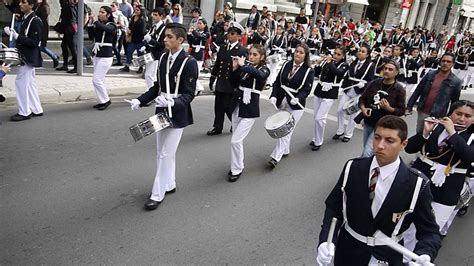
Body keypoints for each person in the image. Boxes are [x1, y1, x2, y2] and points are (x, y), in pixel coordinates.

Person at [316, 115, 441, 266]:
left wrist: (425, 253)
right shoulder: (353, 167)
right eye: (377, 137)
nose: (380, 145)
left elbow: (429, 232)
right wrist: (325, 241)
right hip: (348, 251)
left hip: (386, 257)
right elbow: (333, 208)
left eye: (389, 140)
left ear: (403, 144)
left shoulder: (417, 183)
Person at [125, 23, 198, 211]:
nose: (164, 39)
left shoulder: (189, 62)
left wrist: (173, 102)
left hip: (178, 113)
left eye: (169, 37)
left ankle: (157, 194)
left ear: (180, 40)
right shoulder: (164, 57)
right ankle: (170, 183)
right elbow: (157, 87)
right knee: (161, 153)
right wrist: (139, 101)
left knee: (166, 154)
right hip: (161, 110)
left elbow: (189, 94)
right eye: (165, 36)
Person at [404, 100, 473, 242]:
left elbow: (469, 156)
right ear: (450, 113)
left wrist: (453, 133)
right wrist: (424, 133)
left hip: (447, 190)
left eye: (468, 116)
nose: (461, 118)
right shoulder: (436, 127)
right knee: (405, 223)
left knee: (430, 229)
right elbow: (409, 148)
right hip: (419, 182)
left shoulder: (471, 137)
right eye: (458, 113)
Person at [227, 44, 270, 181]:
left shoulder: (264, 69)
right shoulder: (245, 68)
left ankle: (237, 169)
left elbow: (260, 75)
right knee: (236, 140)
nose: (251, 56)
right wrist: (234, 68)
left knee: (235, 141)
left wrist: (243, 66)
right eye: (250, 54)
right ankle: (237, 165)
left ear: (262, 57)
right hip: (238, 105)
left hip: (250, 109)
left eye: (255, 54)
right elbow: (233, 83)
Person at [268, 43, 315, 168]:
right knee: (279, 126)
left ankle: (275, 157)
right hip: (281, 100)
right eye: (296, 51)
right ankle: (285, 149)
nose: (297, 54)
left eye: (301, 52)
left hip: (296, 104)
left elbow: (306, 90)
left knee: (285, 130)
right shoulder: (286, 64)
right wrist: (273, 95)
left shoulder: (309, 70)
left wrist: (298, 98)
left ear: (305, 56)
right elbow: (277, 82)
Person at [4, 0, 44, 121]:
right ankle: (37, 109)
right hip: (26, 56)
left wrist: (16, 36)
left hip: (29, 57)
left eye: (24, 2)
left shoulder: (35, 20)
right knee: (30, 83)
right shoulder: (26, 18)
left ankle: (24, 111)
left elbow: (34, 42)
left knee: (21, 83)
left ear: (31, 5)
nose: (20, 4)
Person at [358, 60, 406, 157]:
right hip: (368, 121)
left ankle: (362, 170)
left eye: (390, 69)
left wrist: (389, 109)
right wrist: (363, 108)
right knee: (370, 150)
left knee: (366, 153)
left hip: (383, 126)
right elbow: (362, 99)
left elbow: (401, 110)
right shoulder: (375, 83)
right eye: (385, 68)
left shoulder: (399, 89)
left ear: (396, 72)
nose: (387, 71)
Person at [207, 22, 248, 136]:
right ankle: (217, 126)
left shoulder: (242, 50)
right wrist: (212, 77)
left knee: (228, 107)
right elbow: (218, 64)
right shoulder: (223, 48)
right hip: (221, 81)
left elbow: (243, 69)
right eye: (229, 33)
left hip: (232, 83)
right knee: (218, 106)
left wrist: (239, 83)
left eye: (233, 33)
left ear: (239, 36)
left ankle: (235, 123)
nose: (229, 35)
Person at [407, 53, 462, 133]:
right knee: (419, 134)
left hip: (439, 115)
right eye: (443, 61)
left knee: (433, 137)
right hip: (423, 111)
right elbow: (418, 90)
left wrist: (449, 117)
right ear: (440, 62)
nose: (445, 63)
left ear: (452, 64)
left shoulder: (456, 81)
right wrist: (410, 105)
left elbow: (455, 102)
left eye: (448, 61)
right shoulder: (430, 74)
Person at [334, 44, 375, 143]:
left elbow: (371, 81)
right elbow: (347, 75)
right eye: (359, 50)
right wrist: (343, 85)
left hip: (359, 92)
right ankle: (340, 130)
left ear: (367, 54)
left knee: (352, 114)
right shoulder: (353, 62)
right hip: (348, 89)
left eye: (363, 51)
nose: (360, 53)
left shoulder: (370, 65)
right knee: (340, 110)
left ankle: (348, 133)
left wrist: (364, 84)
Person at [311, 46, 349, 151]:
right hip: (319, 90)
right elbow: (318, 73)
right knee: (315, 117)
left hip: (331, 92)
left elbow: (338, 73)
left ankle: (319, 141)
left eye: (338, 54)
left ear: (343, 56)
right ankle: (315, 138)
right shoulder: (328, 62)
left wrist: (328, 62)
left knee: (320, 118)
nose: (335, 56)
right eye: (335, 53)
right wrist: (319, 63)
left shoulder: (344, 65)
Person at [88, 5, 116, 111]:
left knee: (96, 79)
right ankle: (101, 101)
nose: (100, 14)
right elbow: (92, 36)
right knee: (101, 80)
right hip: (97, 54)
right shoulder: (100, 24)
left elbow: (106, 29)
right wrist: (90, 25)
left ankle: (106, 100)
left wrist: (95, 22)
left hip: (106, 56)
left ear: (108, 15)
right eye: (99, 12)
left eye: (102, 12)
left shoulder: (112, 25)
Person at [141, 7, 166, 90]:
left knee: (149, 75)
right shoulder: (153, 26)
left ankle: (151, 94)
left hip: (157, 54)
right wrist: (145, 45)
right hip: (149, 53)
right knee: (149, 75)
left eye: (155, 15)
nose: (153, 16)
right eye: (153, 14)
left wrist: (150, 40)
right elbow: (149, 38)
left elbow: (162, 45)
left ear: (161, 16)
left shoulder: (164, 28)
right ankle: (153, 92)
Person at [120, 4, 146, 73]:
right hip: (132, 39)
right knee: (129, 51)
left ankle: (141, 67)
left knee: (140, 54)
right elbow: (130, 25)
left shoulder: (142, 19)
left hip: (140, 39)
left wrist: (132, 31)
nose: (136, 11)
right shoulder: (133, 17)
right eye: (135, 10)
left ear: (141, 11)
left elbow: (142, 30)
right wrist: (128, 30)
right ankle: (127, 65)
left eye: (138, 10)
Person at [187, 18, 209, 95]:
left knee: (196, 72)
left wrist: (193, 31)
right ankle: (198, 87)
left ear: (204, 25)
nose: (199, 25)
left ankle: (198, 88)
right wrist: (189, 34)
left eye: (200, 23)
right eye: (198, 23)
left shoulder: (206, 33)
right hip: (193, 51)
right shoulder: (196, 32)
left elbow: (200, 37)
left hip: (199, 53)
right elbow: (190, 42)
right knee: (192, 71)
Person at [35, 0, 59, 68]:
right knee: (37, 47)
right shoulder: (38, 6)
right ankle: (39, 61)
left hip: (43, 30)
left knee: (41, 47)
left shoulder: (45, 7)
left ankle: (54, 56)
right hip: (39, 30)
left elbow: (43, 21)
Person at [110, 1, 127, 66]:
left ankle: (118, 60)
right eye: (111, 5)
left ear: (117, 7)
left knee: (114, 46)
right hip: (113, 31)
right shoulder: (111, 13)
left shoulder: (119, 14)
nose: (111, 7)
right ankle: (117, 60)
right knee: (113, 46)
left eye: (113, 6)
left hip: (117, 32)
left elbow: (122, 25)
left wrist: (113, 25)